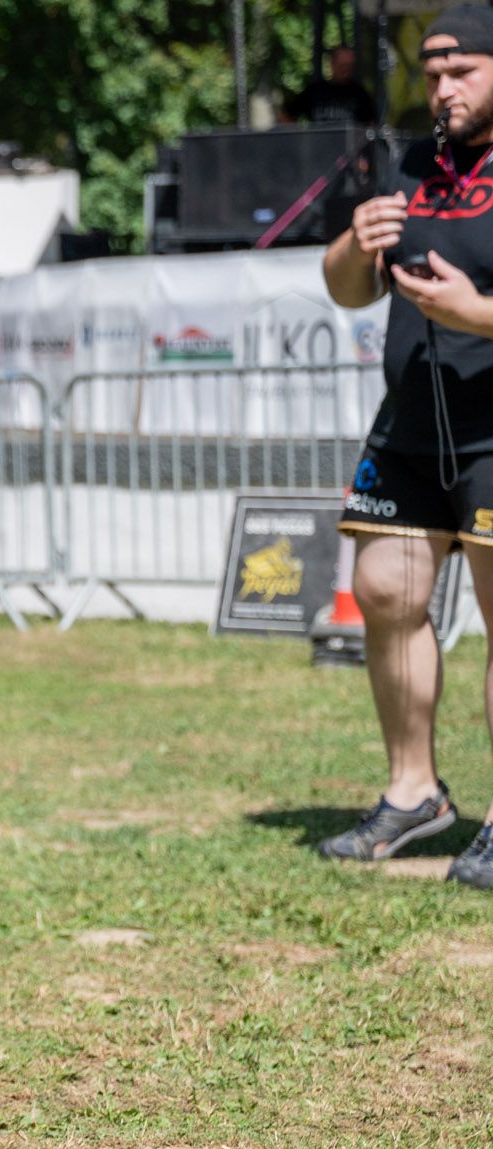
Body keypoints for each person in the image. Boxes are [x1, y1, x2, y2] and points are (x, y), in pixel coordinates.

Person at [320, 5, 493, 885]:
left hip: (492, 427)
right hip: (410, 425)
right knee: (384, 587)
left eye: (462, 71)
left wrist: (477, 313)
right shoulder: (412, 164)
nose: (443, 89)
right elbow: (347, 288)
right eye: (432, 75)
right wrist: (357, 246)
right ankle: (414, 792)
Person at [287, 45, 379, 126]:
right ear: (332, 63)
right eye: (342, 65)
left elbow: (371, 124)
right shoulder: (315, 90)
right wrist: (298, 137)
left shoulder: (359, 93)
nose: (345, 70)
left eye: (349, 66)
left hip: (350, 140)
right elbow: (287, 115)